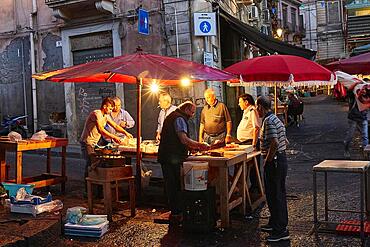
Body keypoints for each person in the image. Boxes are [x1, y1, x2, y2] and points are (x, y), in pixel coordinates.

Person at [158, 101, 209, 223]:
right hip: (171, 157)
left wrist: (191, 147)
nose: (192, 115)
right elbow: (183, 139)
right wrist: (199, 145)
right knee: (174, 184)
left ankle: (177, 210)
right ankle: (176, 212)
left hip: (171, 156)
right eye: (191, 112)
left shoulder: (174, 116)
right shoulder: (179, 118)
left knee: (174, 183)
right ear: (186, 109)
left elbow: (182, 140)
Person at [256, 96, 289, 242]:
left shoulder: (269, 121)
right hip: (280, 160)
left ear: (260, 107)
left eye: (257, 107)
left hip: (275, 162)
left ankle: (280, 230)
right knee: (273, 193)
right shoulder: (275, 118)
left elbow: (275, 143)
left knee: (276, 194)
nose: (256, 110)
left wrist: (267, 160)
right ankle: (274, 222)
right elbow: (284, 140)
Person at [80, 97, 133, 186]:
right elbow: (101, 129)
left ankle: (97, 187)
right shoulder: (96, 114)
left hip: (94, 143)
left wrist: (125, 132)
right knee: (90, 164)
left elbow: (115, 126)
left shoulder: (106, 116)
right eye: (110, 108)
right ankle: (88, 189)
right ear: (104, 106)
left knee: (96, 163)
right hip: (87, 142)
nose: (111, 110)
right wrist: (114, 136)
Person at [237, 93, 261, 193]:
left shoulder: (252, 111)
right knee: (247, 166)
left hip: (250, 142)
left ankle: (255, 188)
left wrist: (254, 145)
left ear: (246, 102)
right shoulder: (246, 111)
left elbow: (256, 128)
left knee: (253, 167)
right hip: (244, 142)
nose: (239, 104)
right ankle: (247, 187)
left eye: (240, 102)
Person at [344, 79, 369, 158]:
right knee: (350, 136)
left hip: (363, 118)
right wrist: (356, 83)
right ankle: (346, 149)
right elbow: (349, 90)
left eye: (366, 88)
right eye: (363, 88)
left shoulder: (368, 97)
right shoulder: (354, 95)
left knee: (365, 136)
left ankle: (366, 154)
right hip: (353, 118)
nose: (364, 90)